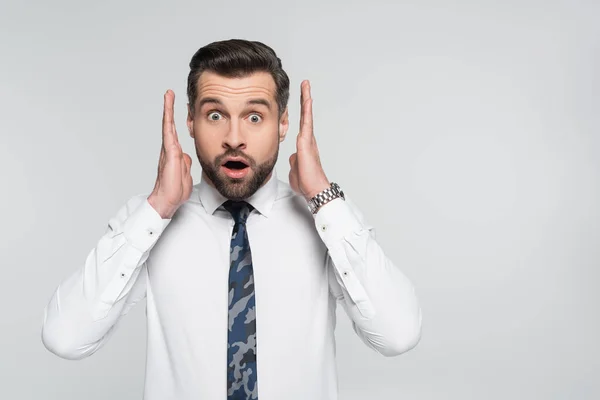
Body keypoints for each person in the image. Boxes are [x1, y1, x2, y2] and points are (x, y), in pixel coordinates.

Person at [41, 39, 422, 400]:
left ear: (283, 124)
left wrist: (323, 195)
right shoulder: (149, 222)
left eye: (255, 116)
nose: (234, 138)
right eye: (215, 115)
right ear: (190, 122)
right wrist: (157, 207)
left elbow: (398, 335)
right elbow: (65, 338)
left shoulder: (324, 221)